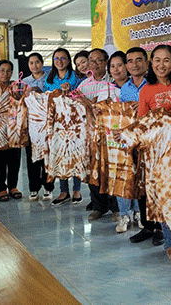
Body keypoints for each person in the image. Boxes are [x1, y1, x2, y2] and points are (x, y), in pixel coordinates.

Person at [129, 44, 171, 261]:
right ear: (150, 63)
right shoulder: (147, 89)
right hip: (160, 154)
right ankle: (169, 241)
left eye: (166, 60)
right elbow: (142, 122)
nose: (161, 65)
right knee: (166, 196)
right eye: (157, 60)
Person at [76, 48, 120, 221]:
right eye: (91, 61)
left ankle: (115, 207)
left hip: (109, 133)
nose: (94, 64)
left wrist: (93, 104)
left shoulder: (113, 81)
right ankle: (98, 206)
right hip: (90, 134)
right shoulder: (84, 85)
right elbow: (77, 107)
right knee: (93, 169)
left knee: (111, 170)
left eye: (99, 60)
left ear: (106, 61)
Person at [114, 48, 148, 234]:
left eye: (138, 60)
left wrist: (144, 107)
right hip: (128, 141)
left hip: (148, 141)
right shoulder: (124, 88)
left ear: (146, 63)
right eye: (130, 61)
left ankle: (144, 217)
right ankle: (125, 213)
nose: (134, 65)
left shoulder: (151, 85)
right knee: (127, 176)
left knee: (145, 180)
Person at [43, 48, 83, 206]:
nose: (59, 61)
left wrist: (69, 91)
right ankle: (64, 191)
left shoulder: (76, 77)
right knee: (61, 156)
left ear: (68, 60)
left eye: (63, 58)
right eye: (56, 58)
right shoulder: (50, 78)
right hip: (57, 122)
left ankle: (77, 190)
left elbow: (81, 97)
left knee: (75, 155)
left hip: (74, 122)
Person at [22, 52, 54, 201]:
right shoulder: (24, 82)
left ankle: (48, 187)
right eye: (31, 63)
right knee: (32, 157)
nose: (34, 66)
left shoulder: (50, 78)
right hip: (31, 125)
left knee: (47, 156)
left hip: (48, 124)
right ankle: (33, 188)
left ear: (42, 63)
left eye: (37, 62)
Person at [0, 59, 23, 202]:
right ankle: (1, 188)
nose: (5, 73)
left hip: (15, 129)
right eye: (2, 70)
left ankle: (13, 186)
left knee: (14, 159)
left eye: (9, 70)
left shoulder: (17, 87)